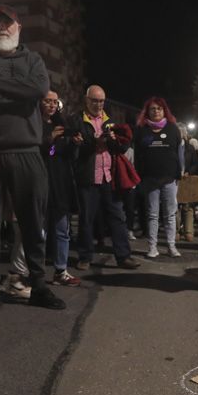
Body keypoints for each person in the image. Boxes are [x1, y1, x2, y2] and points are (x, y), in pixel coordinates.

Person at [0, 4, 65, 310]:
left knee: (33, 222)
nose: (2, 27)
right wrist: (19, 93)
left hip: (27, 150)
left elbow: (39, 89)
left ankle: (39, 284)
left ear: (18, 28)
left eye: (8, 23)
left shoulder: (33, 59)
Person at [67, 85, 141, 271]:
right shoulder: (76, 120)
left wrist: (114, 140)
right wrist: (95, 143)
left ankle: (123, 256)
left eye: (101, 101)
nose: (98, 104)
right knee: (86, 219)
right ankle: (85, 256)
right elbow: (74, 150)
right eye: (94, 100)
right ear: (86, 100)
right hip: (88, 178)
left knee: (118, 218)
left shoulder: (111, 120)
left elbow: (122, 148)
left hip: (109, 177)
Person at [134, 96, 184, 258]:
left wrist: (180, 172)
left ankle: (171, 246)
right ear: (147, 112)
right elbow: (138, 155)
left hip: (169, 178)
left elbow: (179, 152)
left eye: (159, 108)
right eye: (153, 109)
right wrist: (139, 176)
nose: (156, 111)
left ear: (164, 111)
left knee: (170, 214)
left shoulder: (172, 128)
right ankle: (152, 247)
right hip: (150, 179)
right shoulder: (142, 130)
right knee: (152, 214)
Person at [41, 90, 81, 286]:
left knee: (62, 230)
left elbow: (62, 154)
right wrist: (50, 139)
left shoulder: (62, 124)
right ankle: (36, 273)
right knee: (40, 231)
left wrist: (74, 145)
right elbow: (47, 152)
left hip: (61, 182)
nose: (52, 105)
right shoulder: (35, 125)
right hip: (42, 181)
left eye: (55, 102)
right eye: (48, 101)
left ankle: (61, 270)